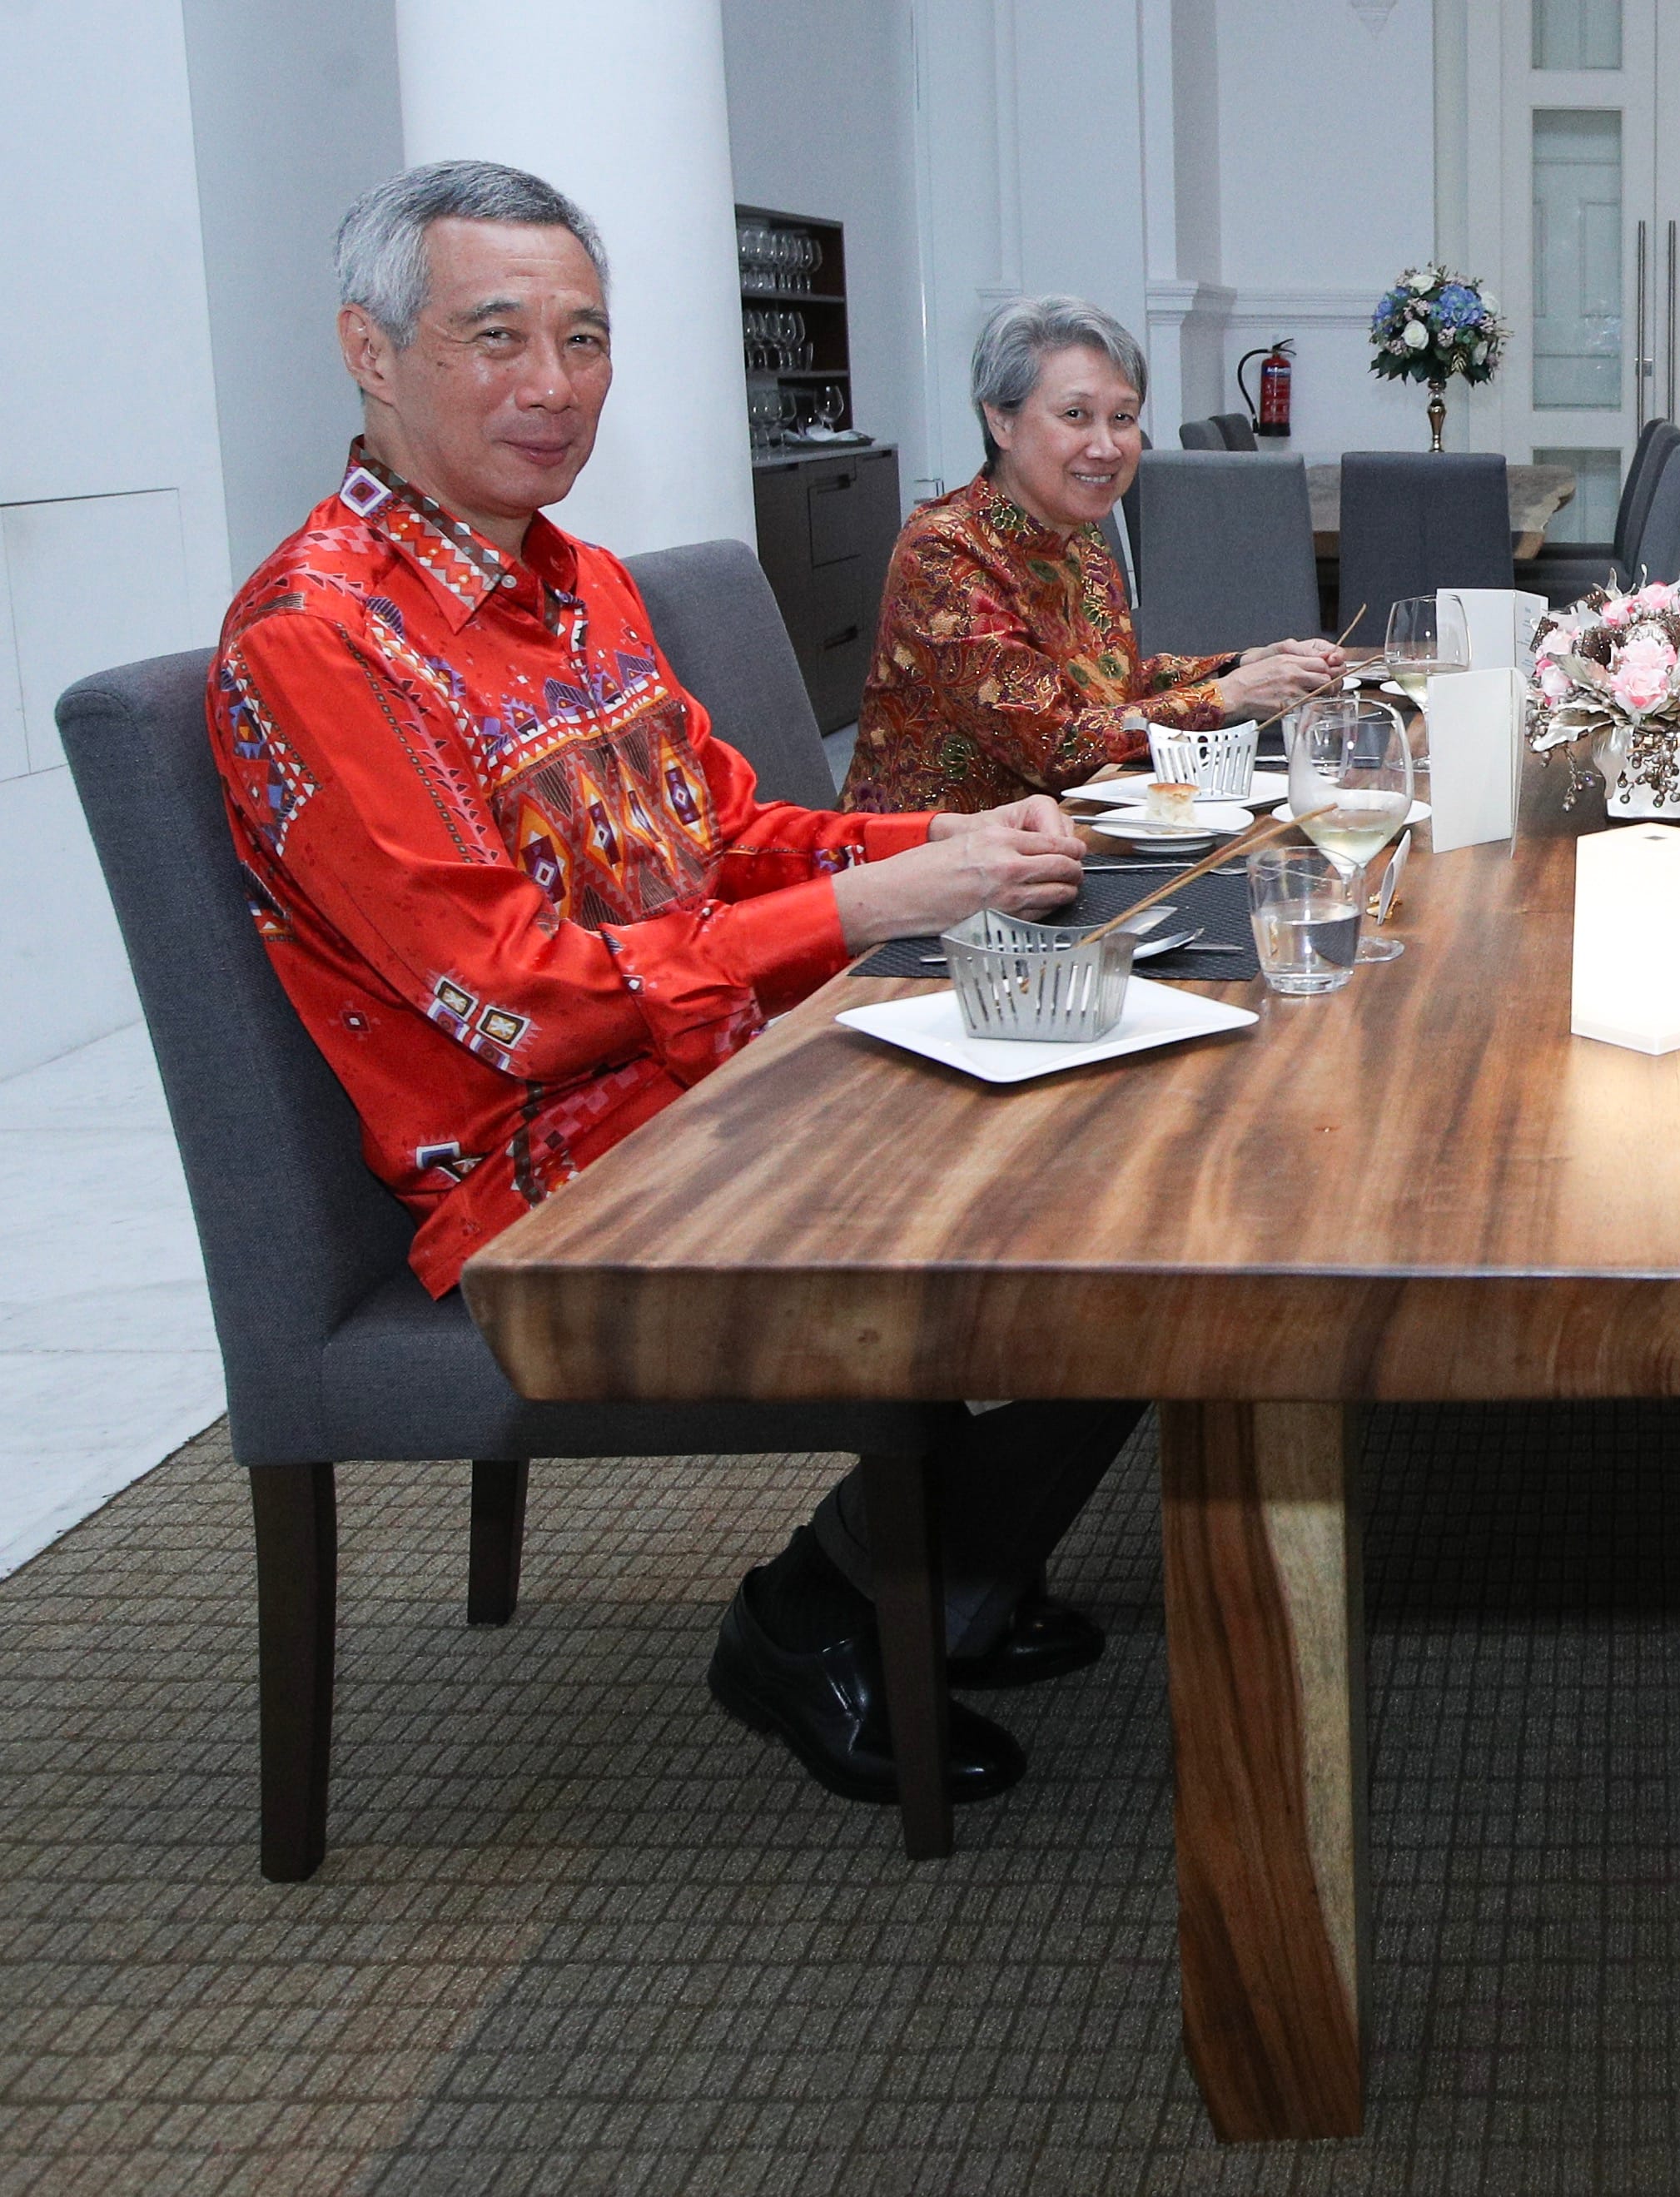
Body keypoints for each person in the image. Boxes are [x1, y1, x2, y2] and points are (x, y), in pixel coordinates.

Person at [207, 161, 1136, 1815]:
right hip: (552, 1173)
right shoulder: (317, 640)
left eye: (583, 337)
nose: (553, 385)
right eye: (497, 337)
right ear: (369, 346)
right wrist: (866, 902)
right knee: (1112, 1217)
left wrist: (935, 835)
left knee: (1144, 1112)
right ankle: (823, 1603)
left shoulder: (583, 584)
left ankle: (949, 1570)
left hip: (716, 1071)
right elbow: (518, 1000)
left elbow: (732, 831)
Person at [840, 296, 1342, 813]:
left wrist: (1238, 665)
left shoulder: (1079, 535)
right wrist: (1231, 694)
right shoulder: (944, 550)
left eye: (1122, 418)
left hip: (1065, 839)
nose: (1106, 446)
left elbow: (1105, 690)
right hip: (937, 868)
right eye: (1076, 415)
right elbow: (1054, 744)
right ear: (1001, 423)